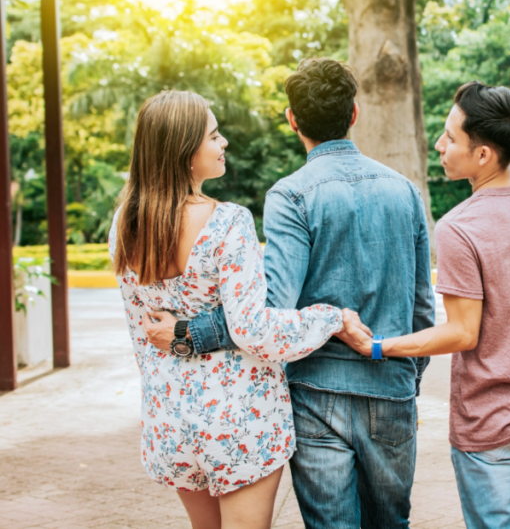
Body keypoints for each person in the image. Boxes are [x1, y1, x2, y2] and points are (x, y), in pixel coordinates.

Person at [144, 58, 435, 529]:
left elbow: (269, 305)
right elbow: (424, 302)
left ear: (292, 119)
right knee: (391, 523)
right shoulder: (404, 191)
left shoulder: (291, 195)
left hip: (316, 393)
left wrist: (190, 332)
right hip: (391, 386)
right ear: (354, 113)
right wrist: (407, 375)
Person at [110, 90, 369, 529]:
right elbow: (255, 331)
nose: (224, 142)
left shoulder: (125, 224)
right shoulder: (227, 222)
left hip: (170, 416)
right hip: (237, 418)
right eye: (214, 136)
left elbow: (143, 333)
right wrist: (332, 317)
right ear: (184, 152)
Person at [348, 81, 510, 529]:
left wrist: (378, 347)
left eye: (450, 137)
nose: (440, 144)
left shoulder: (460, 227)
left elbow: (462, 332)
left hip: (490, 423)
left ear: (483, 155)